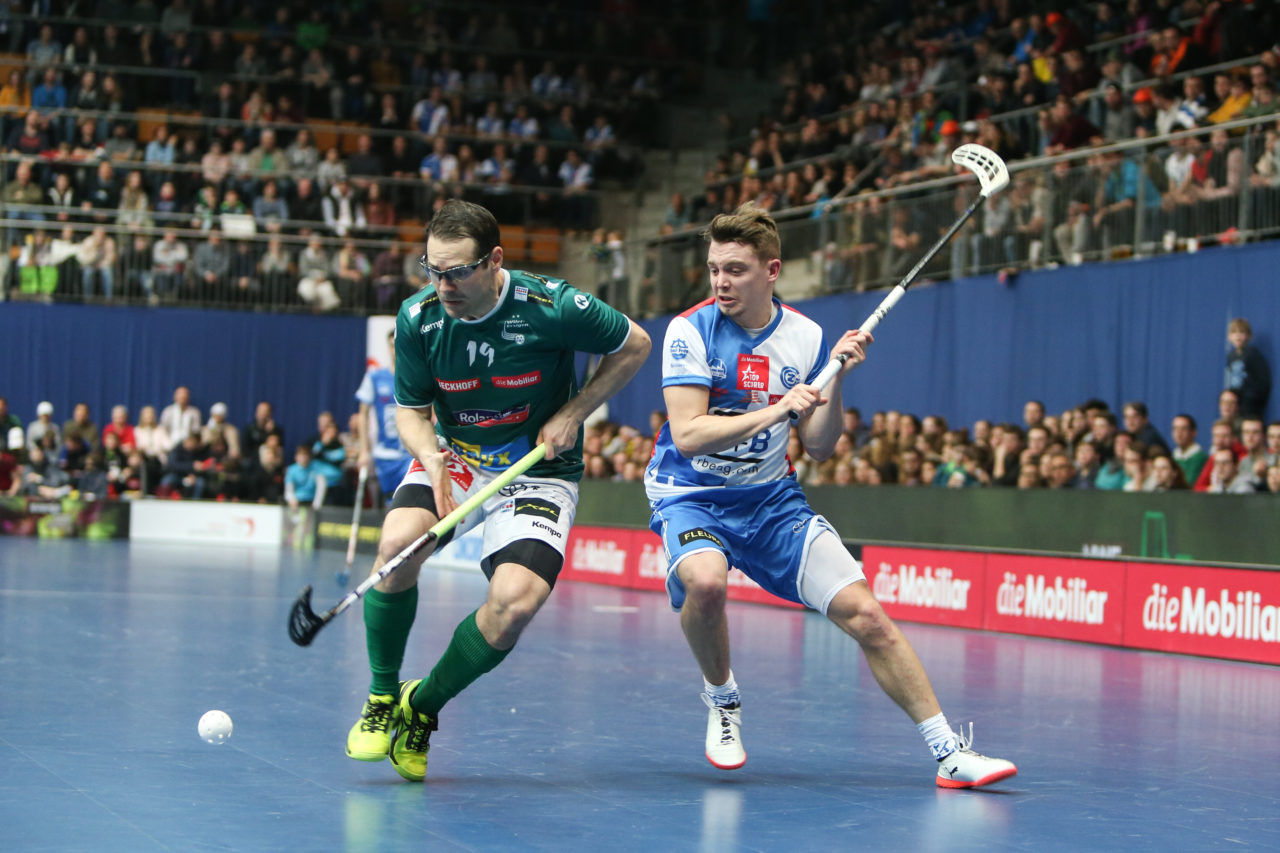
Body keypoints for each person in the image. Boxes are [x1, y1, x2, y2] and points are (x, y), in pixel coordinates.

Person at [643, 203, 1015, 788]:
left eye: (735, 270)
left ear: (772, 271)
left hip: (770, 500)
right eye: (714, 268)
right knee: (706, 583)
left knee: (869, 616)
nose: (720, 282)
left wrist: (836, 376)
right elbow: (687, 435)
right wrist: (776, 410)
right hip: (692, 491)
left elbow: (818, 446)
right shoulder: (690, 330)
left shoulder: (807, 336)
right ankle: (723, 698)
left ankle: (950, 754)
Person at [344, 199, 650, 782]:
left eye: (458, 272)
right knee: (397, 547)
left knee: (513, 605)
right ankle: (382, 695)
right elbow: (410, 410)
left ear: (494, 261)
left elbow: (634, 344)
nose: (443, 286)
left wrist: (575, 411)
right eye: (433, 270)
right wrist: (428, 457)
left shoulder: (552, 306)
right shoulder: (418, 318)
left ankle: (421, 704)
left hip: (538, 468)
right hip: (457, 456)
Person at [356, 330, 413, 504]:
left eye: (398, 345)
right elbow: (363, 414)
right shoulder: (374, 377)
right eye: (391, 346)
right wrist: (364, 450)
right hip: (385, 454)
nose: (395, 350)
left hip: (410, 452)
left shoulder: (415, 375)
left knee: (408, 499)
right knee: (390, 501)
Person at [1225, 318, 1271, 419]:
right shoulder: (1231, 356)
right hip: (1235, 403)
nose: (1238, 336)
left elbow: (1263, 381)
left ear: (1249, 336)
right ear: (1229, 336)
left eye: (1241, 332)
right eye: (1234, 332)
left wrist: (1252, 398)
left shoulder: (1252, 354)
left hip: (1249, 405)